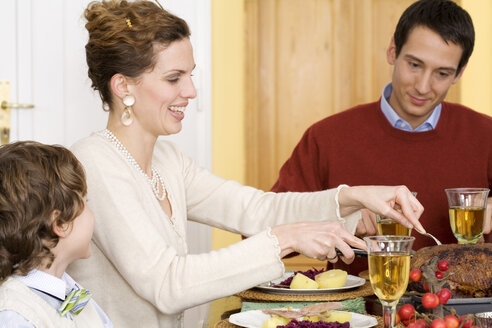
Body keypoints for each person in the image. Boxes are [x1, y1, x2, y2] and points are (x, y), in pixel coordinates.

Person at [67, 1, 423, 327]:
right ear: (122, 86)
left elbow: (256, 209)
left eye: (191, 75)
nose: (191, 91)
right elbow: (168, 283)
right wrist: (283, 239)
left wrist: (354, 196)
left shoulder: (166, 160)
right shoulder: (94, 164)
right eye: (174, 78)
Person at [272, 0, 492, 255]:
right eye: (414, 65)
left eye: (442, 73)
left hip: (464, 296)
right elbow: (264, 235)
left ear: (459, 73)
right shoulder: (327, 137)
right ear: (392, 51)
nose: (422, 86)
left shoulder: (485, 136)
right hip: (357, 296)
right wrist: (336, 215)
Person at [0, 141, 113, 328]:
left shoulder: (72, 291)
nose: (92, 214)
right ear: (60, 223)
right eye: (86, 202)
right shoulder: (15, 313)